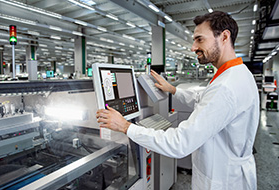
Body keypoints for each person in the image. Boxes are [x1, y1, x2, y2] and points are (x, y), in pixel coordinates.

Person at [96, 11, 259, 190]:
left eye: (199, 39)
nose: (193, 47)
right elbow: (202, 99)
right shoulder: (237, 74)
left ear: (224, 37)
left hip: (221, 180)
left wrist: (126, 127)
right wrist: (173, 90)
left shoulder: (225, 86)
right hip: (229, 172)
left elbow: (180, 143)